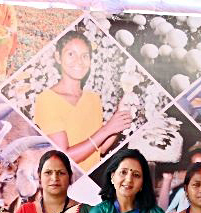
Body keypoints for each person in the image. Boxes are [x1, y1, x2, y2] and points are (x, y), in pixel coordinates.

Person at [32, 30, 133, 172]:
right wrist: (107, 129)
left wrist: (120, 117)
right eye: (71, 54)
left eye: (85, 56)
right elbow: (63, 157)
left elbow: (100, 148)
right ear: (58, 57)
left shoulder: (93, 99)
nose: (79, 61)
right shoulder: (47, 99)